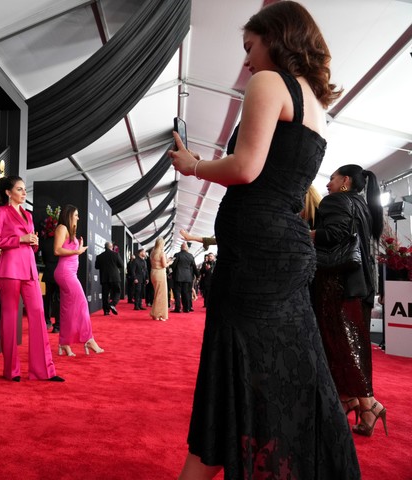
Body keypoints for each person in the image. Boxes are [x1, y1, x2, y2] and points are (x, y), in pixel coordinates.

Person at [169, 2, 360, 478]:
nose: (247, 61)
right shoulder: (316, 104)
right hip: (284, 251)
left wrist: (193, 165)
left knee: (235, 376)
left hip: (256, 255)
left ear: (276, 38)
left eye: (249, 47)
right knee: (287, 374)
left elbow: (246, 167)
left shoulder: (269, 83)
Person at [311, 165, 386, 437]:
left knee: (340, 345)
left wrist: (303, 234)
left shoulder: (336, 200)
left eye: (331, 178)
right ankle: (349, 401)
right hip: (361, 284)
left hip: (338, 284)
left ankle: (368, 403)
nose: (328, 183)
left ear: (345, 180)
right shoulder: (362, 205)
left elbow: (335, 234)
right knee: (355, 345)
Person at [0, 176, 64, 382]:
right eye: (19, 189)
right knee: (10, 319)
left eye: (24, 189)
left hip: (29, 270)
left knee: (39, 314)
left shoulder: (28, 216)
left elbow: (30, 245)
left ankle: (44, 370)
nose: (24, 193)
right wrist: (20, 239)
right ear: (8, 192)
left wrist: (34, 242)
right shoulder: (1, 212)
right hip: (9, 270)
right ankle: (11, 371)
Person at [54, 204, 104, 356]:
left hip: (71, 273)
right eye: (75, 215)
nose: (78, 217)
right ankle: (88, 339)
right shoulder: (62, 228)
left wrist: (78, 247)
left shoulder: (71, 231)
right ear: (69, 215)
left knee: (66, 310)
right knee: (82, 304)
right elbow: (57, 250)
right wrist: (77, 250)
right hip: (65, 273)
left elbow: (69, 250)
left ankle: (64, 343)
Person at [95, 241, 124, 315]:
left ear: (104, 247)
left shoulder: (99, 256)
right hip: (115, 277)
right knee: (117, 292)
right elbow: (121, 265)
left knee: (105, 295)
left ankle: (106, 311)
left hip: (104, 277)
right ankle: (112, 304)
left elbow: (96, 267)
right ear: (112, 247)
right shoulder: (116, 254)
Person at [170, 242, 198, 313]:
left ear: (181, 248)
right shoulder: (191, 256)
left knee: (177, 293)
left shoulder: (177, 255)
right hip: (187, 277)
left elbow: (173, 266)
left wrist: (171, 272)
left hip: (178, 276)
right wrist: (198, 275)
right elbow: (194, 266)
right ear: (187, 248)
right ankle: (186, 308)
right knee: (185, 293)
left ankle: (178, 308)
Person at [149, 237, 170, 321]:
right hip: (160, 273)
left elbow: (157, 262)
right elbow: (164, 265)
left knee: (157, 293)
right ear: (162, 244)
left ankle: (155, 314)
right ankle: (159, 315)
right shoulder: (161, 253)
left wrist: (166, 260)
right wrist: (170, 262)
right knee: (161, 294)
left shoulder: (152, 252)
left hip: (153, 272)